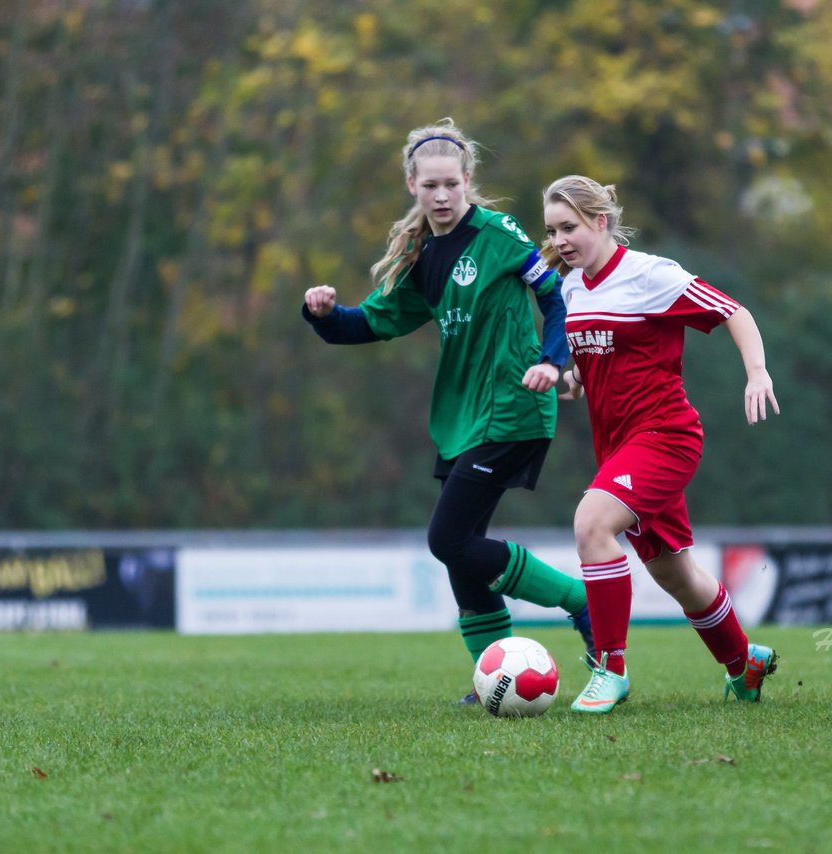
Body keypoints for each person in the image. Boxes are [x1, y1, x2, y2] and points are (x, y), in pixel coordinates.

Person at [302, 119, 593, 702]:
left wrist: (551, 359)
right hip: (463, 418)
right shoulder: (421, 256)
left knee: (448, 539)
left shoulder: (500, 233)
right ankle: (496, 677)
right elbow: (374, 323)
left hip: (514, 405)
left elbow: (554, 297)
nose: (441, 196)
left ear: (467, 182)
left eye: (451, 185)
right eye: (429, 185)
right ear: (411, 184)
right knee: (463, 552)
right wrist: (325, 314)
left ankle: (580, 601)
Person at [540, 174, 781, 714]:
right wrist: (577, 375)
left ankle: (611, 668)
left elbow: (733, 312)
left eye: (569, 227)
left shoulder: (652, 274)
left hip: (665, 437)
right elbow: (598, 348)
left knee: (591, 525)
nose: (559, 241)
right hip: (619, 447)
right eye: (553, 230)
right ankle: (746, 663)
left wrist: (758, 372)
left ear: (600, 222)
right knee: (674, 572)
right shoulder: (572, 285)